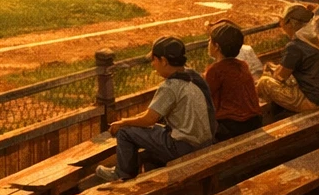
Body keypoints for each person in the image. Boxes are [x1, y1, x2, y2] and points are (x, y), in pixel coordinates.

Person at [97, 36, 214, 182]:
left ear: (164, 61)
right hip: (205, 142)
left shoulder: (170, 86)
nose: (153, 64)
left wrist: (123, 122)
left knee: (125, 132)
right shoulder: (194, 76)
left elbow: (148, 120)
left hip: (183, 147)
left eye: (154, 60)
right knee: (150, 151)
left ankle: (122, 173)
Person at [256, 3, 319, 113]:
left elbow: (280, 77)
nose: (281, 26)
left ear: (290, 23)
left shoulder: (294, 46)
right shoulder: (315, 39)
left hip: (312, 102)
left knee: (264, 82)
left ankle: (264, 116)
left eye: (283, 22)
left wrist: (272, 72)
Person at [205, 21, 262, 141]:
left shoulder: (216, 70)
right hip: (254, 121)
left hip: (232, 127)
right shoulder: (242, 65)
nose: (208, 43)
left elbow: (204, 96)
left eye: (210, 41)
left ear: (216, 47)